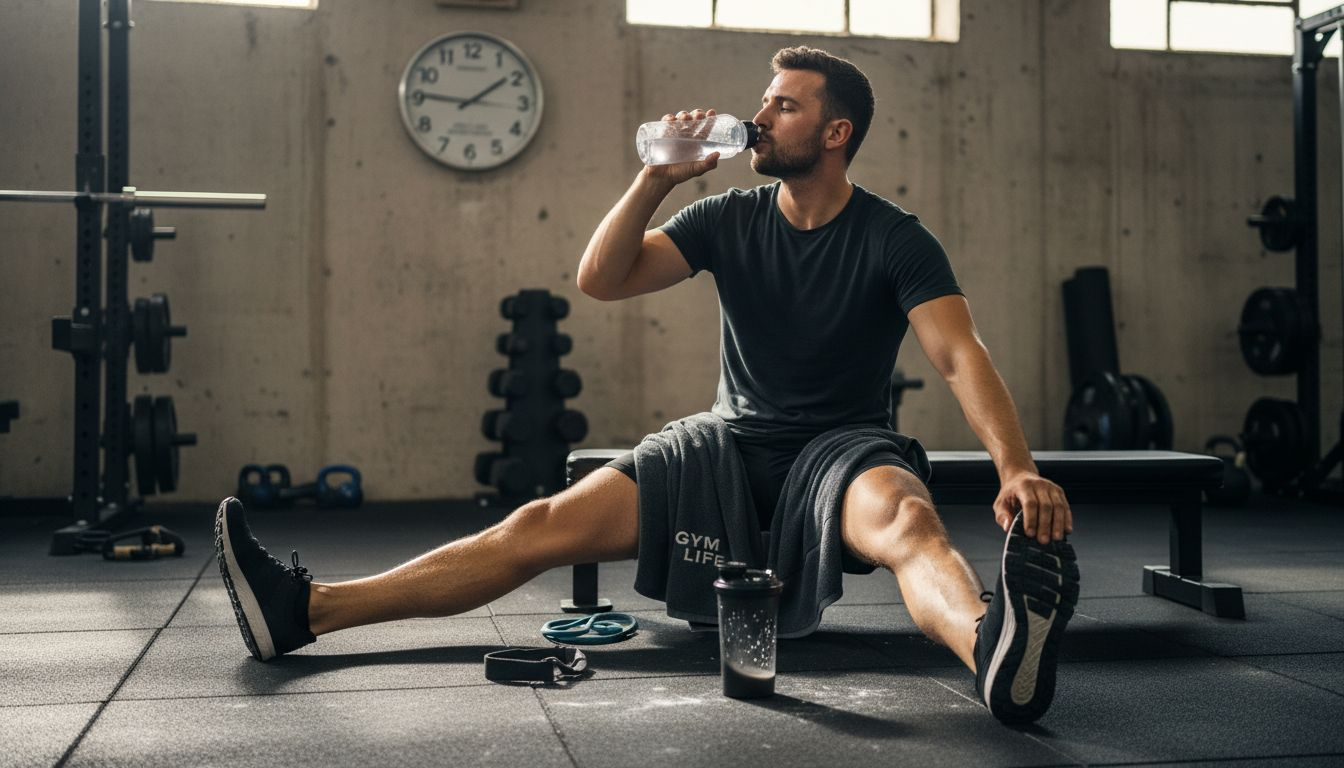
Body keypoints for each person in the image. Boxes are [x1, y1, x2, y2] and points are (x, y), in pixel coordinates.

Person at [215, 45, 1079, 725]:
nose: (759, 114)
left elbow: (961, 354)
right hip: (727, 442)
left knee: (907, 517)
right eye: (765, 98)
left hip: (840, 451)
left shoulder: (897, 239)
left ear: (835, 131)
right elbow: (603, 276)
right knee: (539, 524)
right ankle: (305, 610)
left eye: (784, 103)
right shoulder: (724, 217)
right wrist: (655, 177)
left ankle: (992, 646)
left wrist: (1017, 469)